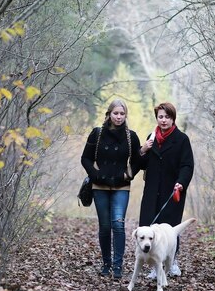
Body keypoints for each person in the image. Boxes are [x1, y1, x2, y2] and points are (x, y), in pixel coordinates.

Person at [81, 99, 141, 279]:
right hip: (99, 186)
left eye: (122, 114)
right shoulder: (97, 134)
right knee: (105, 226)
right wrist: (95, 175)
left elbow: (137, 162)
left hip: (121, 186)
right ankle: (106, 264)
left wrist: (127, 175)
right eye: (116, 113)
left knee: (118, 224)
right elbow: (85, 159)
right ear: (109, 114)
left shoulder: (131, 136)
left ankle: (117, 266)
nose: (119, 117)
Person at [138, 102, 194, 278]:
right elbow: (141, 165)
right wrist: (143, 150)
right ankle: (156, 267)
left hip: (172, 191)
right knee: (150, 230)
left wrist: (181, 182)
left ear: (173, 118)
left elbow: (187, 165)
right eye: (160, 117)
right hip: (151, 192)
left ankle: (173, 262)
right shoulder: (151, 137)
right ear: (157, 118)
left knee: (170, 230)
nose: (163, 120)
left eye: (167, 117)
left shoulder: (182, 139)